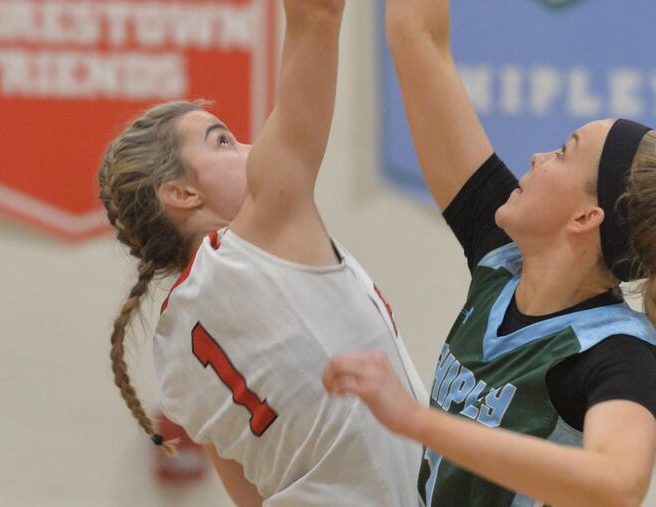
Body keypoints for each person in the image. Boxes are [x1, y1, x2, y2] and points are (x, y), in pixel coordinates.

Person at [323, 1, 656, 506]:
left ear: (584, 218)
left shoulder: (617, 353)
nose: (537, 156)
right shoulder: (501, 257)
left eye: (563, 152)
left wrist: (418, 421)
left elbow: (618, 486)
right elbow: (417, 39)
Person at [98, 1, 426, 506]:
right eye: (223, 141)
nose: (252, 148)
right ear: (182, 194)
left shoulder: (174, 355)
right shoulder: (262, 233)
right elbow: (318, 14)